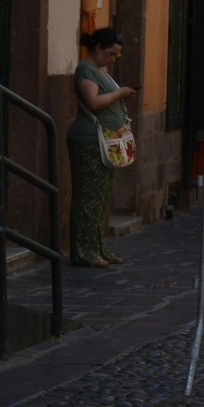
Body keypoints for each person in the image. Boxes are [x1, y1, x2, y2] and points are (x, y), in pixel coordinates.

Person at [68, 28, 136, 266]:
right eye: (110, 54)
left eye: (117, 55)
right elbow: (93, 102)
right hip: (89, 141)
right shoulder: (86, 69)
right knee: (88, 196)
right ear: (97, 48)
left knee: (102, 198)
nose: (113, 59)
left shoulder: (100, 70)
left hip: (106, 142)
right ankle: (83, 251)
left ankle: (98, 247)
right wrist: (119, 93)